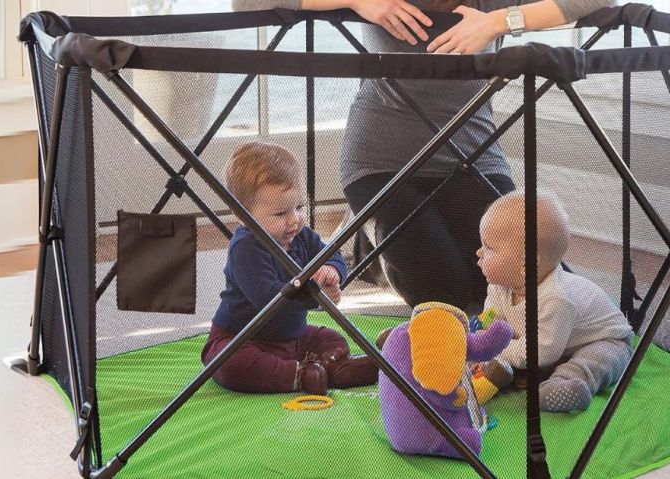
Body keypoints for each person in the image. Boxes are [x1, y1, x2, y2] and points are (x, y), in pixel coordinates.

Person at [232, 0, 612, 314]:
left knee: (542, 285)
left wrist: (500, 22)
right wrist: (358, 1)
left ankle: (377, 248)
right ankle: (384, 246)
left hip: (473, 159)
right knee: (447, 298)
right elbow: (245, 2)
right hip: (381, 164)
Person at [202, 142, 378, 396]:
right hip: (242, 339)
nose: (294, 219)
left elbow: (334, 256)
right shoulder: (245, 248)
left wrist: (332, 270)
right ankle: (301, 376)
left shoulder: (302, 236)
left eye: (299, 207)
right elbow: (269, 297)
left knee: (331, 339)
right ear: (242, 216)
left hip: (293, 339)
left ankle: (328, 370)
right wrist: (316, 295)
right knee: (231, 365)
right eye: (281, 213)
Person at [471, 192, 634, 412]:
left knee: (595, 361)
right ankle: (536, 373)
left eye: (489, 248)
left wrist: (496, 350)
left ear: (526, 265)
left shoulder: (556, 299)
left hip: (605, 339)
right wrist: (481, 346)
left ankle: (563, 386)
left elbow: (538, 352)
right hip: (554, 343)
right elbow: (494, 328)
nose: (478, 252)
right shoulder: (499, 287)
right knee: (512, 354)